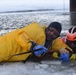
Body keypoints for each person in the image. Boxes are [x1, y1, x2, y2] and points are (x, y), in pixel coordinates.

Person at [0, 22, 72, 62]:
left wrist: (65, 52)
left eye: (55, 33)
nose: (52, 33)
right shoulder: (37, 30)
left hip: (11, 55)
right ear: (47, 28)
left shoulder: (53, 40)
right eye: (51, 30)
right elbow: (21, 37)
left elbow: (62, 46)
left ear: (57, 36)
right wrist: (33, 46)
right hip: (6, 46)